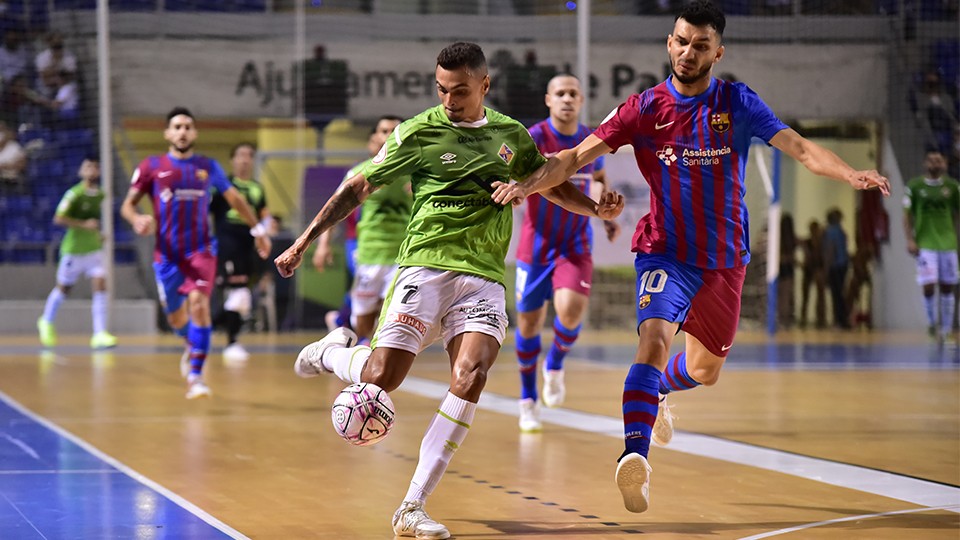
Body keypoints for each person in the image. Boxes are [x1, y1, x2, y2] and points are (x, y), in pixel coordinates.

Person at [490, 0, 890, 513]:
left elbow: (802, 149)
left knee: (704, 370)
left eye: (700, 45)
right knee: (652, 341)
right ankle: (633, 457)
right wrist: (526, 186)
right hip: (664, 252)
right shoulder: (643, 109)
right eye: (681, 41)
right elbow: (571, 158)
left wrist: (851, 174)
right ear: (669, 43)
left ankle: (656, 393)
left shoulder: (738, 103)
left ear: (717, 52)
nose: (688, 51)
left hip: (724, 259)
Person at [275, 42, 623, 539]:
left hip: (483, 274)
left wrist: (595, 209)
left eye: (460, 91)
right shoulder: (417, 131)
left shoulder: (510, 135)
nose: (449, 99)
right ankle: (334, 352)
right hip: (426, 267)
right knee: (381, 377)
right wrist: (305, 240)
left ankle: (411, 506)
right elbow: (358, 185)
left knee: (472, 373)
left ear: (485, 86)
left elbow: (547, 181)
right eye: (441, 89)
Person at [120, 107, 270, 399]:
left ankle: (196, 377)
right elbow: (127, 205)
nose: (182, 131)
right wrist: (136, 218)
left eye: (188, 126)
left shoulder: (207, 166)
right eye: (176, 126)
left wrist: (258, 230)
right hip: (167, 255)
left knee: (200, 304)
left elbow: (235, 198)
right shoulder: (152, 166)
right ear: (167, 133)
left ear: (195, 133)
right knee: (177, 319)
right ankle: (190, 346)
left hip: (201, 251)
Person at [514, 73, 621, 432]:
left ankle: (555, 364)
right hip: (536, 244)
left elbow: (601, 178)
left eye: (573, 93)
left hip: (574, 243)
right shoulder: (534, 138)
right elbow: (519, 178)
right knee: (529, 323)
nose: (566, 99)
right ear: (548, 99)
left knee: (571, 312)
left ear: (581, 100)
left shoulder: (590, 141)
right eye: (560, 93)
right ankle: (527, 399)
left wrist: (605, 211)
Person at [313, 116, 409, 345]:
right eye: (384, 130)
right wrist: (322, 244)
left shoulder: (420, 172)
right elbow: (333, 209)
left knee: (394, 317)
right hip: (369, 254)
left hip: (404, 257)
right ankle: (351, 335)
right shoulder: (360, 173)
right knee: (363, 323)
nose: (388, 136)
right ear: (375, 137)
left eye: (394, 131)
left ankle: (377, 358)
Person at [37, 156, 117, 349]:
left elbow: (93, 220)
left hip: (94, 250)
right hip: (73, 250)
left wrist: (98, 234)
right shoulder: (74, 194)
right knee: (64, 289)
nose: (92, 170)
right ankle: (46, 320)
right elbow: (59, 218)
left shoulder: (100, 195)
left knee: (100, 285)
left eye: (96, 167)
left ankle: (99, 333)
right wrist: (84, 225)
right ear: (81, 171)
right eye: (88, 166)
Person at [209, 142, 275, 362]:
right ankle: (231, 342)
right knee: (238, 293)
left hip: (249, 245)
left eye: (249, 155)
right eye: (240, 155)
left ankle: (205, 329)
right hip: (228, 243)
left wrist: (266, 229)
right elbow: (205, 211)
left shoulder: (257, 188)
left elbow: (264, 214)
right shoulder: (223, 186)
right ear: (232, 159)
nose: (245, 160)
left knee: (242, 296)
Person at [903, 149, 959, 342]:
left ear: (944, 163)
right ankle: (931, 325)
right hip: (925, 244)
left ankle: (947, 330)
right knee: (928, 286)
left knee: (947, 287)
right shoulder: (915, 186)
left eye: (938, 160)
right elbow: (906, 215)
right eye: (931, 160)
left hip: (948, 244)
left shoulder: (952, 187)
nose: (935, 163)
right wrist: (910, 239)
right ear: (925, 163)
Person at [823, 207, 850, 329]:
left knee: (836, 294)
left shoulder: (830, 231)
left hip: (835, 266)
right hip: (843, 264)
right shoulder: (841, 231)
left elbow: (830, 250)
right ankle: (842, 319)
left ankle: (840, 320)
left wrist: (826, 268)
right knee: (840, 292)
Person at [798, 219, 827, 329]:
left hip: (817, 269)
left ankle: (820, 318)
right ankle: (803, 317)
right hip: (809, 270)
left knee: (820, 296)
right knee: (806, 295)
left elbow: (822, 257)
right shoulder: (808, 242)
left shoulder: (821, 243)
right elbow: (807, 257)